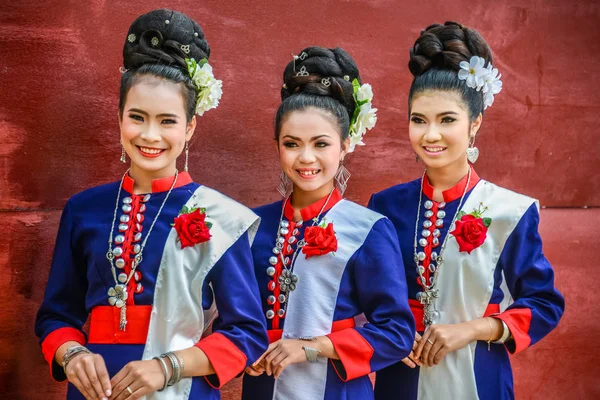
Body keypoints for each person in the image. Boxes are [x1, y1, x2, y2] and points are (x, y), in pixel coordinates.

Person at [34, 9, 267, 400]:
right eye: (137, 117)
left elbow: (246, 333)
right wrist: (71, 353)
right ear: (119, 117)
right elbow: (56, 315)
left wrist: (167, 367)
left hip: (182, 388)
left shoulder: (221, 217)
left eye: (167, 121)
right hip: (97, 390)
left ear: (190, 127)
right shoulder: (84, 210)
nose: (150, 135)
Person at [368, 21, 565, 400]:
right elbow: (366, 295)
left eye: (447, 120)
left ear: (475, 123)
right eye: (418, 120)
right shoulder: (386, 206)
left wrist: (472, 329)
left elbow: (543, 304)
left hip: (480, 376)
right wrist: (390, 333)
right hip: (402, 374)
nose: (430, 135)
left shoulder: (510, 211)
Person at [241, 46, 415, 400]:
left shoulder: (367, 228)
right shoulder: (253, 224)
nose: (306, 158)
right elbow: (233, 317)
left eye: (321, 144)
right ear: (277, 145)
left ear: (346, 144)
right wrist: (241, 349)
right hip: (262, 386)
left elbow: (397, 332)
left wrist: (314, 347)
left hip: (337, 389)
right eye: (292, 144)